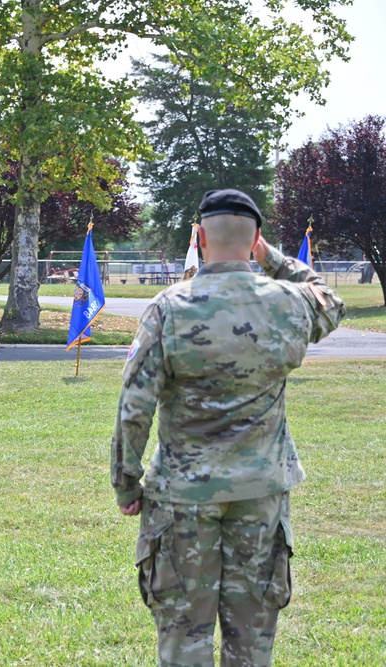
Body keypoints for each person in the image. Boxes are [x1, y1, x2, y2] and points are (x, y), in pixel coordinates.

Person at [111, 189, 346, 667]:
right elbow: (331, 298)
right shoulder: (290, 302)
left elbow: (134, 407)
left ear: (198, 237)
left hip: (182, 498)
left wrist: (126, 484)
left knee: (183, 638)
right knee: (252, 640)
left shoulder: (169, 307)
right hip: (261, 494)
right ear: (256, 239)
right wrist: (273, 258)